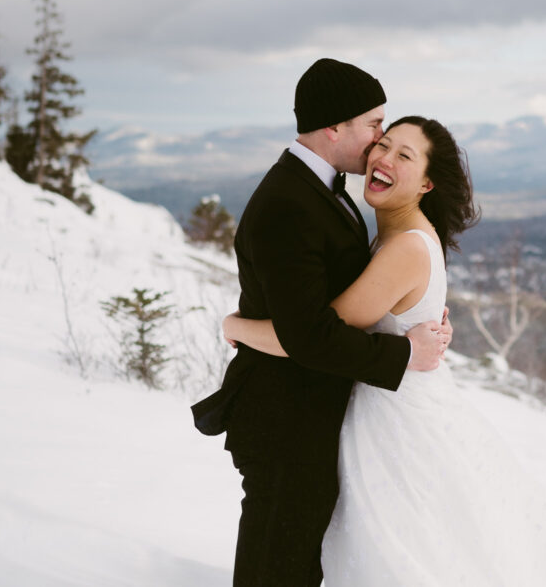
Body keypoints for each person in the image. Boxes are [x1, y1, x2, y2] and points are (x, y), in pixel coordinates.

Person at [224, 116, 546, 585]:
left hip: (396, 423)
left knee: (402, 552)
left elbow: (309, 337)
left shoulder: (403, 248)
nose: (383, 158)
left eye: (404, 155)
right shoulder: (400, 236)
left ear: (426, 183)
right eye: (382, 145)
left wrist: (236, 325)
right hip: (392, 403)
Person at [190, 59, 450, 587]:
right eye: (375, 124)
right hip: (285, 418)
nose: (379, 140)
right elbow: (308, 334)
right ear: (336, 126)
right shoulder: (290, 202)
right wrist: (405, 354)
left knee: (297, 565)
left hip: (310, 413)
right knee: (276, 569)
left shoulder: (323, 190)